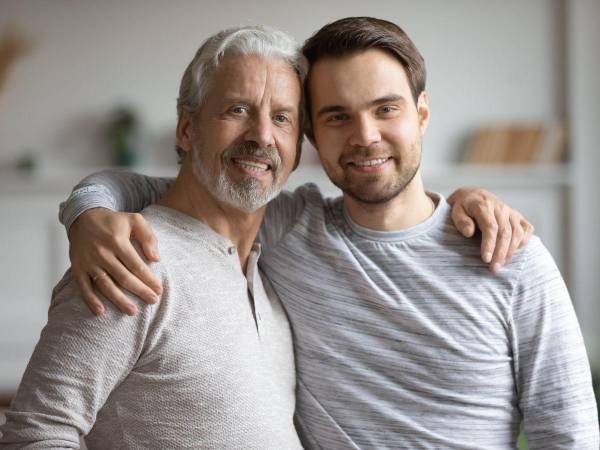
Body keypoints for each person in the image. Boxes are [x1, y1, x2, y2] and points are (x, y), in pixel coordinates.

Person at [9, 18, 590, 449]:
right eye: (337, 116)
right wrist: (87, 213)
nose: (365, 136)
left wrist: (470, 197)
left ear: (422, 115)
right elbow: (38, 432)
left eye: (386, 109)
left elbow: (568, 434)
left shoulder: (507, 254)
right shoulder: (163, 251)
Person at [0, 25, 306, 448]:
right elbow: (35, 435)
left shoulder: (267, 274)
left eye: (282, 117)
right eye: (236, 109)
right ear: (186, 128)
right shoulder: (126, 260)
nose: (261, 135)